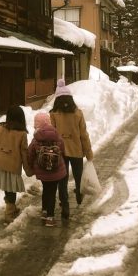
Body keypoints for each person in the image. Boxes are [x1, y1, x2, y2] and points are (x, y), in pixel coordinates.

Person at [49, 79, 93, 219]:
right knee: (78, 175)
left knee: (62, 179)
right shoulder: (78, 113)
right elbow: (83, 135)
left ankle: (65, 205)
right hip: (76, 150)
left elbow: (52, 133)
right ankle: (79, 195)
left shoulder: (54, 114)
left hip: (60, 151)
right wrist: (89, 152)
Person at [0, 105, 31, 222]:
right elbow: (24, 153)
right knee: (11, 189)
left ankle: (11, 208)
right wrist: (28, 169)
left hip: (0, 164)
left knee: (7, 188)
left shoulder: (0, 129)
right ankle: (9, 213)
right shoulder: (22, 133)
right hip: (13, 166)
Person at [28, 112, 67, 227]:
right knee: (52, 191)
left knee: (46, 189)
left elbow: (30, 154)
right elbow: (63, 151)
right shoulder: (57, 135)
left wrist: (31, 166)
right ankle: (50, 218)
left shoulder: (36, 138)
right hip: (56, 171)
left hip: (42, 171)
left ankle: (45, 212)